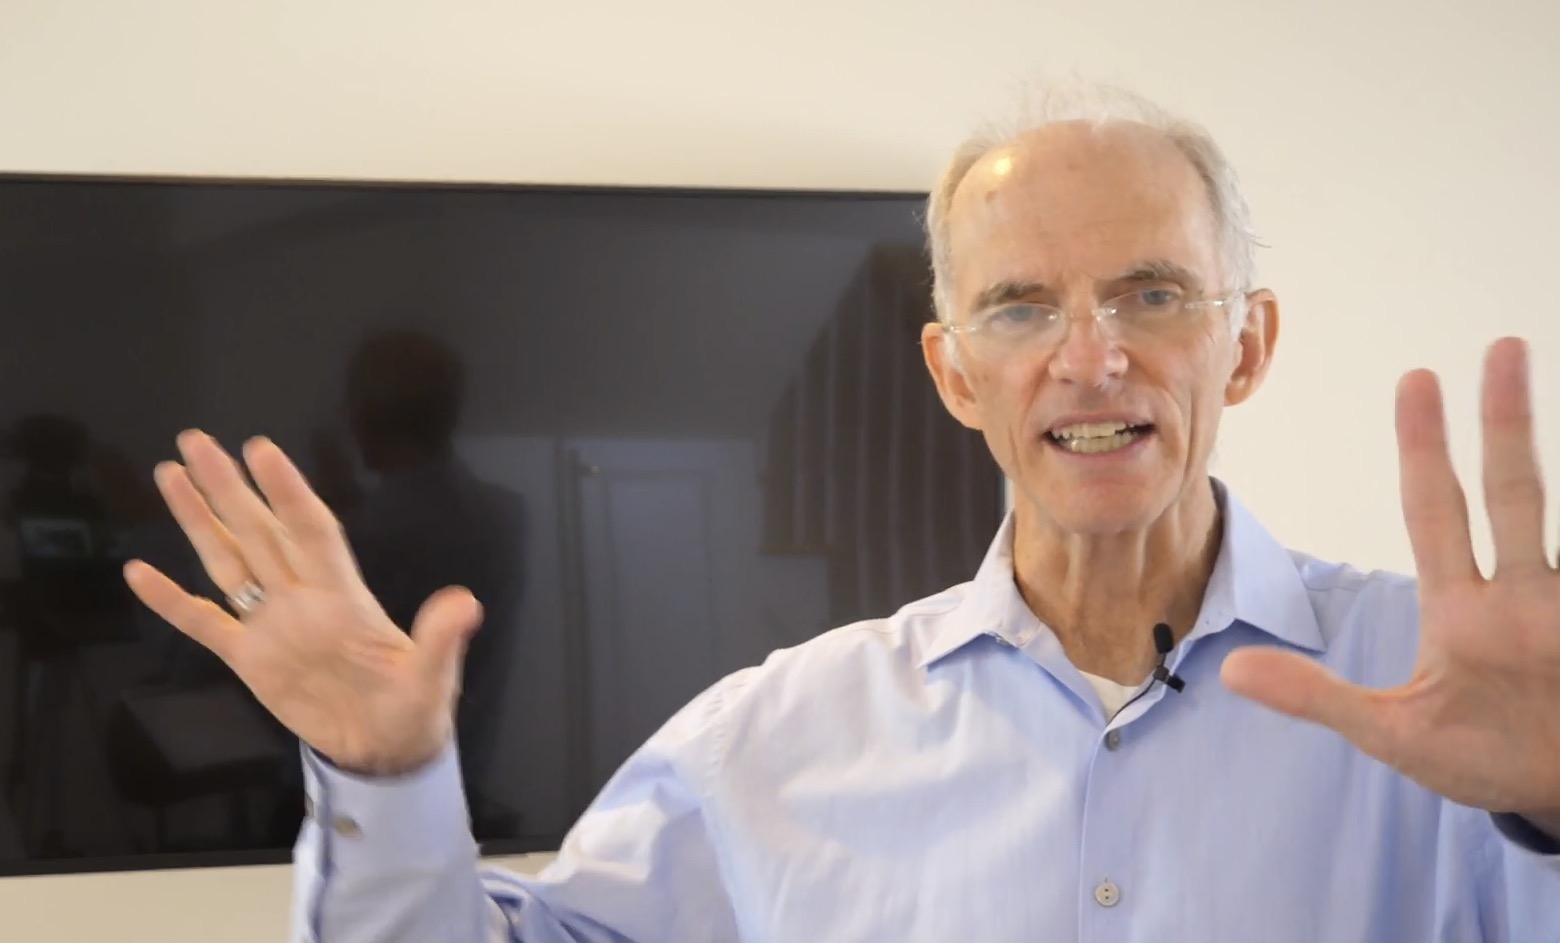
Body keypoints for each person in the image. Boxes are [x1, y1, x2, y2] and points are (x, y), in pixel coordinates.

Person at [123, 81, 1560, 941]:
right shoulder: (773, 742)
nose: (1092, 356)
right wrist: (383, 784)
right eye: (1022, 306)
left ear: (1246, 345)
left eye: (1152, 293)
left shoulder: (1456, 701)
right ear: (954, 373)